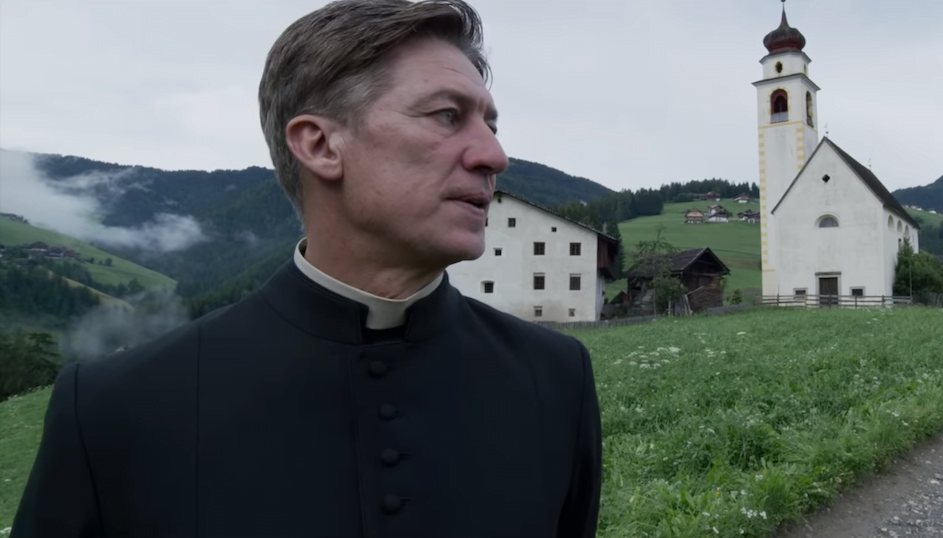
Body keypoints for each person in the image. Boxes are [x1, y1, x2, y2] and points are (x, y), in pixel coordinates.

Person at [10, 0, 603, 536]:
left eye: (490, 125)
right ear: (319, 145)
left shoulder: (554, 379)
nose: (494, 155)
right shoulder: (113, 407)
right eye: (448, 116)